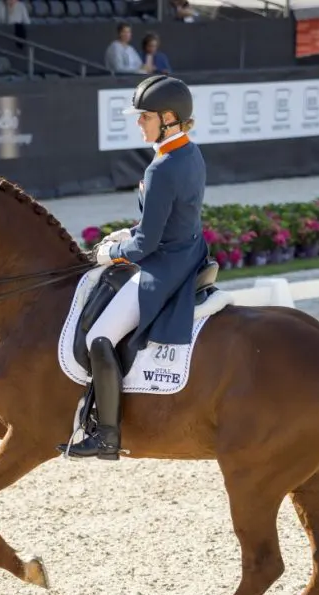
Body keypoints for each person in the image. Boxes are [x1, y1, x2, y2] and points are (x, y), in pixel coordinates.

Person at [59, 76, 209, 460]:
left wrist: (111, 253)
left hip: (165, 268)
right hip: (189, 252)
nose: (138, 124)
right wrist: (129, 231)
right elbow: (177, 218)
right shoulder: (188, 153)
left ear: (169, 118)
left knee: (99, 338)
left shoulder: (162, 167)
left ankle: (106, 435)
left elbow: (146, 246)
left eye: (145, 117)